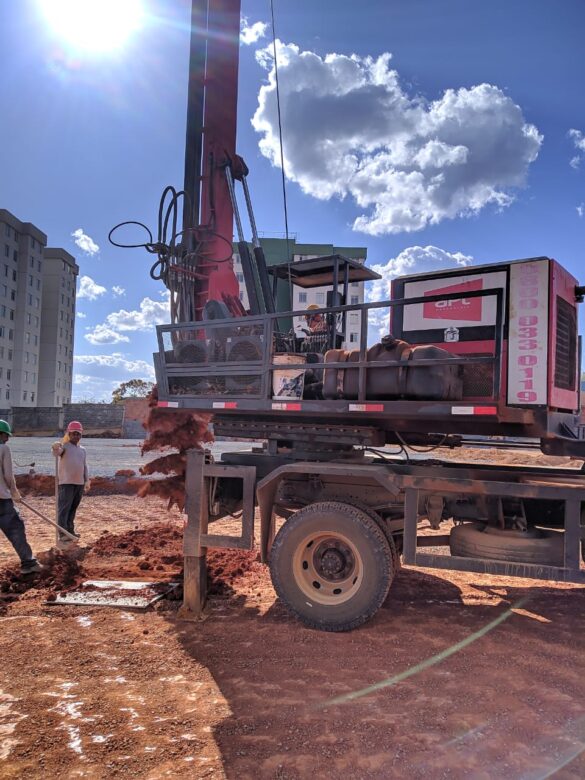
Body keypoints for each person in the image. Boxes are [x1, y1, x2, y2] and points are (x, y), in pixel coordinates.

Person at [0, 420, 42, 574]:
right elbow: (8, 475)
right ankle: (29, 563)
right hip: (2, 500)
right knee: (15, 528)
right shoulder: (3, 449)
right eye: (6, 435)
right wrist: (14, 492)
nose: (7, 439)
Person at [51, 421, 90, 542]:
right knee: (64, 508)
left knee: (73, 508)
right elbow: (56, 453)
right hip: (66, 483)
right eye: (74, 434)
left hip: (79, 483)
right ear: (69, 434)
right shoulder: (65, 447)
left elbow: (84, 466)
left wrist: (87, 480)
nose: (76, 436)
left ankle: (70, 530)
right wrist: (55, 447)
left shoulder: (82, 450)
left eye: (78, 434)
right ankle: (62, 533)